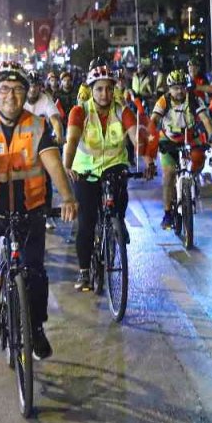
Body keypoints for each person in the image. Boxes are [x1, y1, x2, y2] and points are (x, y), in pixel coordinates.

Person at [0, 61, 77, 359]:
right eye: (4, 89)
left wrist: (67, 198)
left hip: (30, 205)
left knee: (36, 271)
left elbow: (53, 164)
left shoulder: (38, 125)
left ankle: (37, 328)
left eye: (18, 89)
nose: (11, 96)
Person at [63, 65, 158, 291]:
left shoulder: (122, 111)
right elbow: (72, 140)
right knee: (86, 223)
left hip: (114, 164)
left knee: (120, 192)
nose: (104, 94)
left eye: (108, 88)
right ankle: (84, 272)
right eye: (99, 89)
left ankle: (118, 221)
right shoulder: (80, 111)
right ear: (91, 90)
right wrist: (67, 166)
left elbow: (135, 137)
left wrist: (147, 160)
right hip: (85, 170)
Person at [153, 70, 212, 229]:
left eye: (182, 87)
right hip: (168, 139)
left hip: (189, 138)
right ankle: (167, 214)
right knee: (169, 175)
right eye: (175, 88)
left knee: (199, 160)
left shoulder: (194, 99)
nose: (179, 91)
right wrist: (151, 138)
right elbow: (154, 120)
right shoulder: (163, 101)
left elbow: (205, 119)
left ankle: (191, 181)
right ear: (169, 89)